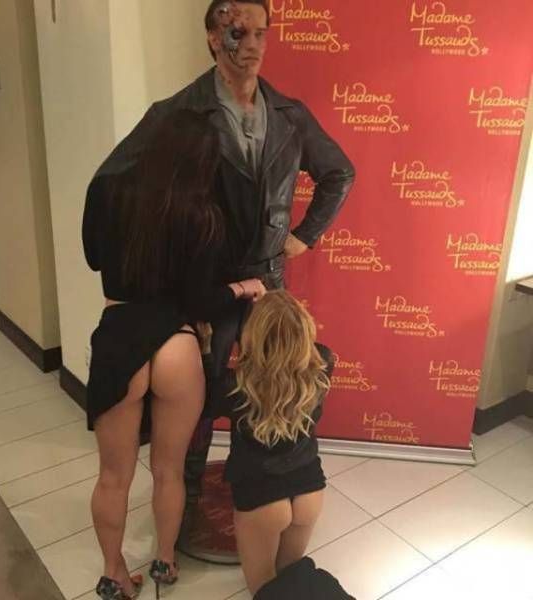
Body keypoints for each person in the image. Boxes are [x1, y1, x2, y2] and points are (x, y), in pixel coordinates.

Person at [87, 0, 355, 508]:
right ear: (213, 37)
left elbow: (339, 172)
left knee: (275, 380)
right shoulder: (177, 113)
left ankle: (261, 487)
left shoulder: (290, 115)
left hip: (269, 282)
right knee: (199, 396)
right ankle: (186, 500)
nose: (251, 45)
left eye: (261, 33)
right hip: (206, 285)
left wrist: (304, 235)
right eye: (237, 33)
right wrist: (130, 259)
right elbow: (109, 182)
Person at [82, 110, 266, 600]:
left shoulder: (106, 192)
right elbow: (201, 303)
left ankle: (113, 573)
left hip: (119, 336)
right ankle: (165, 559)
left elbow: (94, 258)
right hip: (175, 344)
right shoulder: (202, 214)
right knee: (169, 469)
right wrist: (243, 287)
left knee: (113, 477)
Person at [212, 290, 334, 596]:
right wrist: (280, 312)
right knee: (290, 583)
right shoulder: (323, 364)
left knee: (265, 591)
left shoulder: (235, 385)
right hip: (309, 489)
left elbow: (206, 397)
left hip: (261, 495)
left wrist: (206, 346)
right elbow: (300, 346)